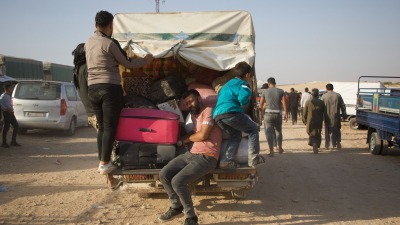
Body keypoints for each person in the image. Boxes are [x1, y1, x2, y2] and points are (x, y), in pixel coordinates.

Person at [85, 10, 153, 187]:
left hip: (92, 89)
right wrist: (145, 60)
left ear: (95, 25)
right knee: (110, 127)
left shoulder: (88, 43)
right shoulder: (109, 44)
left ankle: (102, 161)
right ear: (110, 26)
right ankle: (105, 162)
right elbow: (127, 63)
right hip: (109, 88)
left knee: (102, 127)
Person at [159, 89, 222, 225]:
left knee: (177, 181)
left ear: (199, 98)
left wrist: (185, 140)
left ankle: (191, 218)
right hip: (191, 154)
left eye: (191, 101)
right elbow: (195, 133)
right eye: (187, 103)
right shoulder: (194, 115)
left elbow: (203, 135)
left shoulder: (209, 111)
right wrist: (184, 139)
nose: (189, 105)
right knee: (164, 174)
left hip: (207, 156)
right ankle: (176, 206)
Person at [212, 62, 265, 169]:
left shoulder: (228, 83)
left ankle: (226, 161)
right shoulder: (243, 84)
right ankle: (253, 158)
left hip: (217, 116)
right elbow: (243, 98)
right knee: (253, 128)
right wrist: (244, 102)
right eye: (249, 76)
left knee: (235, 135)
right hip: (230, 112)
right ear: (247, 75)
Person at [259, 77, 288, 157]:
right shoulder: (281, 91)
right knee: (278, 131)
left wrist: (262, 114)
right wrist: (286, 113)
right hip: (278, 114)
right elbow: (284, 103)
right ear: (275, 83)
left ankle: (271, 151)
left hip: (268, 114)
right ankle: (280, 148)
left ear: (268, 84)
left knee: (269, 132)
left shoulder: (265, 92)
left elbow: (261, 105)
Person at [72, 43, 98, 130]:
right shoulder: (86, 68)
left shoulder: (78, 69)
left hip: (90, 111)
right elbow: (94, 88)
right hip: (94, 111)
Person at [321, 83, 346, 150]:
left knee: (327, 129)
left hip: (326, 116)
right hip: (336, 116)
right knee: (337, 129)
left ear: (326, 88)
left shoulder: (324, 96)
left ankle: (327, 143)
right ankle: (337, 142)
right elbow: (343, 106)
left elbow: (321, 107)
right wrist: (344, 114)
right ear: (333, 88)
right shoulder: (338, 95)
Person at [302, 88, 328, 153]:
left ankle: (314, 144)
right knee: (318, 133)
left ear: (312, 94)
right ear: (318, 94)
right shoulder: (321, 102)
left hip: (310, 121)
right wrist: (325, 121)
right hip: (319, 121)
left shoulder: (308, 102)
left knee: (311, 133)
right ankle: (316, 145)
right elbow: (325, 113)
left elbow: (304, 113)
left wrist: (304, 120)